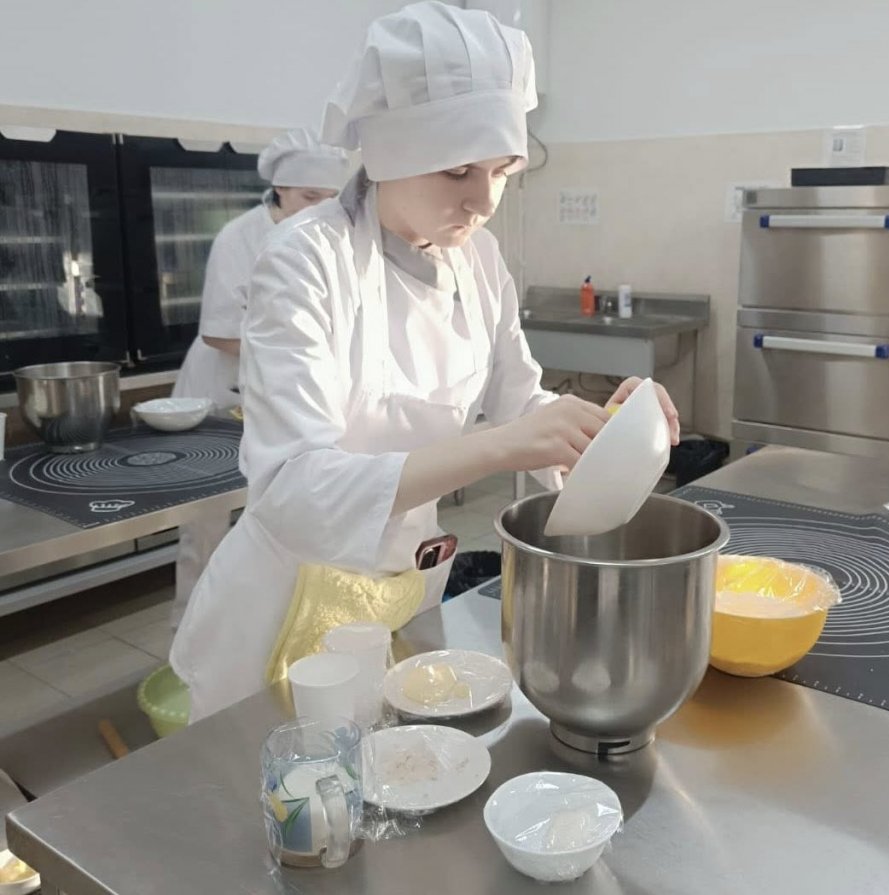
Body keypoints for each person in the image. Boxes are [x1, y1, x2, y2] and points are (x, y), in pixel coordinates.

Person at [170, 0, 680, 721]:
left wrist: (605, 433)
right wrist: (499, 445)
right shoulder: (303, 260)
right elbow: (293, 490)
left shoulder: (480, 259)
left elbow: (521, 401)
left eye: (502, 170)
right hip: (283, 603)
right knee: (276, 777)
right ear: (389, 154)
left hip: (399, 589)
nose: (483, 201)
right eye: (458, 171)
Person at [168, 129, 349, 629]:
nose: (320, 208)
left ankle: (263, 634)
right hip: (220, 393)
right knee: (206, 525)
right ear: (280, 190)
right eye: (309, 196)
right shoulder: (239, 237)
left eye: (330, 197)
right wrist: (306, 354)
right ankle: (190, 634)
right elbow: (220, 333)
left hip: (286, 394)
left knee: (275, 518)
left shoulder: (329, 237)